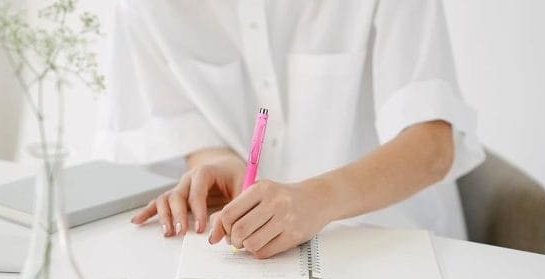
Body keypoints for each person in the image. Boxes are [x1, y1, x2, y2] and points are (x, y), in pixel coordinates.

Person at [97, 0, 484, 258]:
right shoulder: (142, 8)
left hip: (392, 248)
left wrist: (317, 199)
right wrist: (217, 162)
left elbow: (432, 148)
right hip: (249, 260)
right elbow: (190, 129)